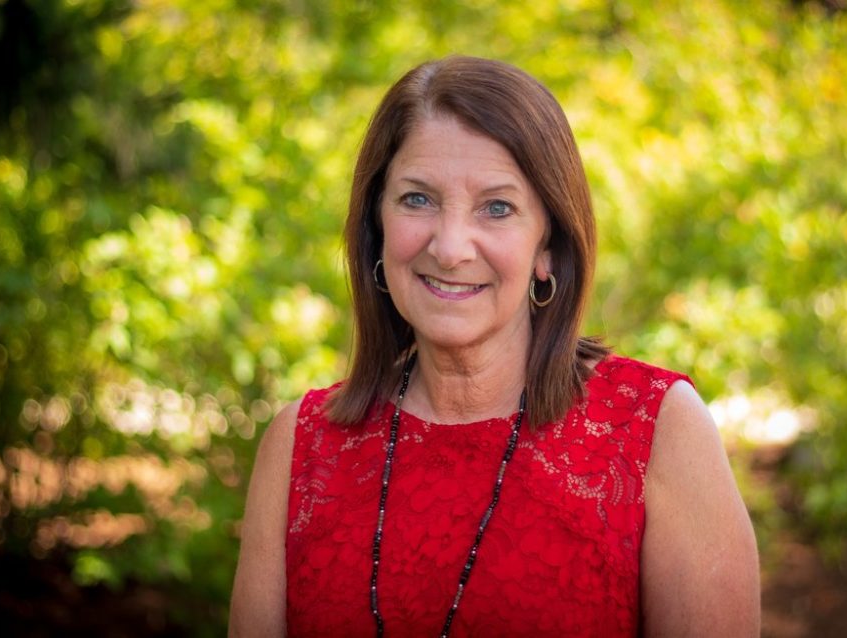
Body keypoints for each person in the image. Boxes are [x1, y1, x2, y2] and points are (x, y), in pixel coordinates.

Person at [229, 56, 759, 637]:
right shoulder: (300, 445)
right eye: (417, 199)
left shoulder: (658, 430)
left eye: (497, 207)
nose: (451, 247)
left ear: (547, 247)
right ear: (376, 226)